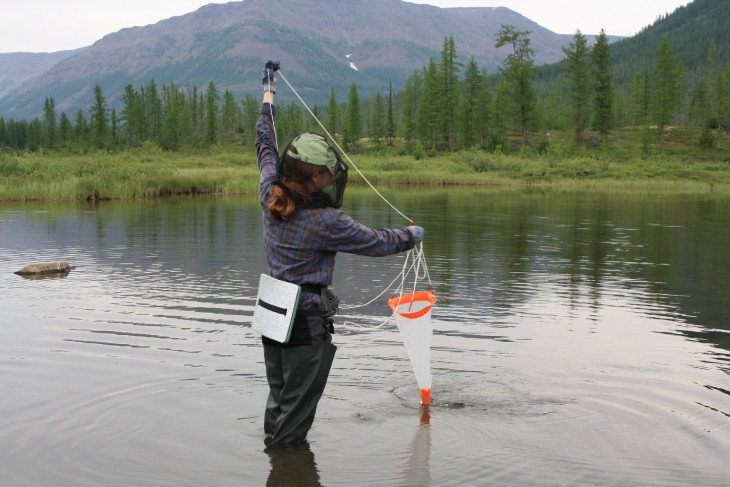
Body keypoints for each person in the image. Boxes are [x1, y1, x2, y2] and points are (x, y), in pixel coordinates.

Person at [256, 60, 424, 445]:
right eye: (328, 172)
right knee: (295, 417)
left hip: (271, 307)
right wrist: (412, 235)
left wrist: (268, 92)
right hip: (304, 316)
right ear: (315, 177)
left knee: (280, 399)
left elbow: (265, 140)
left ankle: (274, 462)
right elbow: (379, 242)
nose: (332, 177)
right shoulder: (328, 221)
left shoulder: (269, 190)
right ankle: (287, 468)